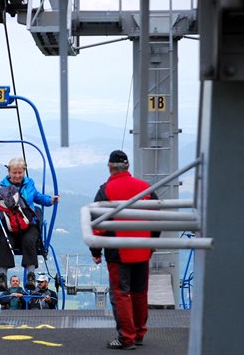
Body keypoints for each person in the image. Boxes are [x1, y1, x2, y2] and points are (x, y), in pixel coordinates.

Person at [90, 150, 160, 350]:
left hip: (118, 251)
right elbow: (157, 219)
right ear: (127, 166)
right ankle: (138, 333)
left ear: (110, 167)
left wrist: (95, 251)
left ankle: (126, 338)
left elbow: (97, 224)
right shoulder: (145, 187)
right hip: (142, 249)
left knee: (121, 293)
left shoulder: (106, 190)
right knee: (139, 292)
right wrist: (151, 244)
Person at [0, 157, 59, 292]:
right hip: (8, 224)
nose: (17, 176)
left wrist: (50, 200)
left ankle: (30, 275)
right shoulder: (1, 186)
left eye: (20, 173)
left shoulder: (29, 184)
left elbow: (38, 197)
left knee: (29, 240)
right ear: (9, 172)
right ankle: (2, 276)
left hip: (28, 223)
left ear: (24, 171)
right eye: (14, 173)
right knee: (5, 241)